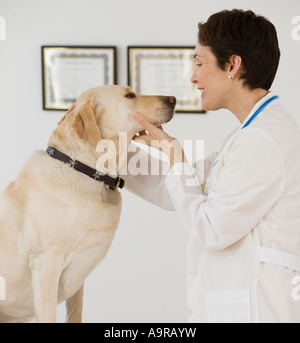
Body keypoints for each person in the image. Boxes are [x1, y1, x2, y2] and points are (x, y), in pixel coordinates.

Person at [122, 9, 300, 323]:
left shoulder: (261, 141)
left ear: (232, 65)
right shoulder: (250, 134)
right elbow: (177, 189)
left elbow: (212, 229)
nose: (194, 77)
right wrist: (111, 155)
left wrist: (174, 154)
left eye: (200, 63)